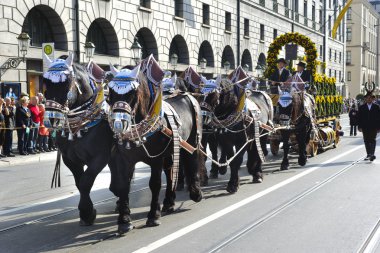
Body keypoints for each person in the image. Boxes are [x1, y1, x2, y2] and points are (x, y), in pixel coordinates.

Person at [358, 91, 380, 161]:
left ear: (373, 99)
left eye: (370, 98)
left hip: (374, 127)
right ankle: (368, 154)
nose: (369, 99)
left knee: (372, 140)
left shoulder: (377, 107)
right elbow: (359, 118)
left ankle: (372, 154)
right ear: (365, 99)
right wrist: (359, 127)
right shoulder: (362, 107)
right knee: (366, 140)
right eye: (367, 98)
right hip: (365, 127)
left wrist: (379, 127)